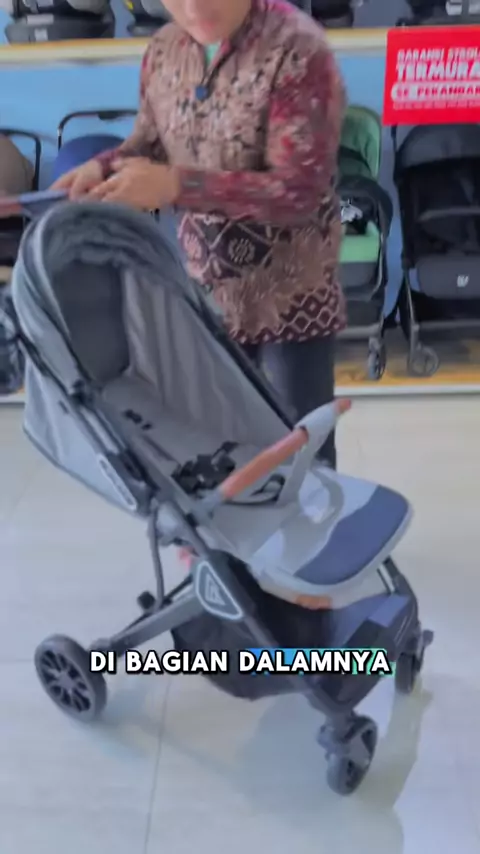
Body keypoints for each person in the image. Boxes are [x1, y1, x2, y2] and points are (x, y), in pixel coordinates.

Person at [52, 0, 346, 468]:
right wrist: (103, 167)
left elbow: (299, 191)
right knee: (225, 452)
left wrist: (176, 186)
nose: (193, 6)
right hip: (208, 299)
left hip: (291, 302)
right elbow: (149, 144)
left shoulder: (298, 50)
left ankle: (319, 516)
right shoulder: (163, 50)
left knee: (302, 459)